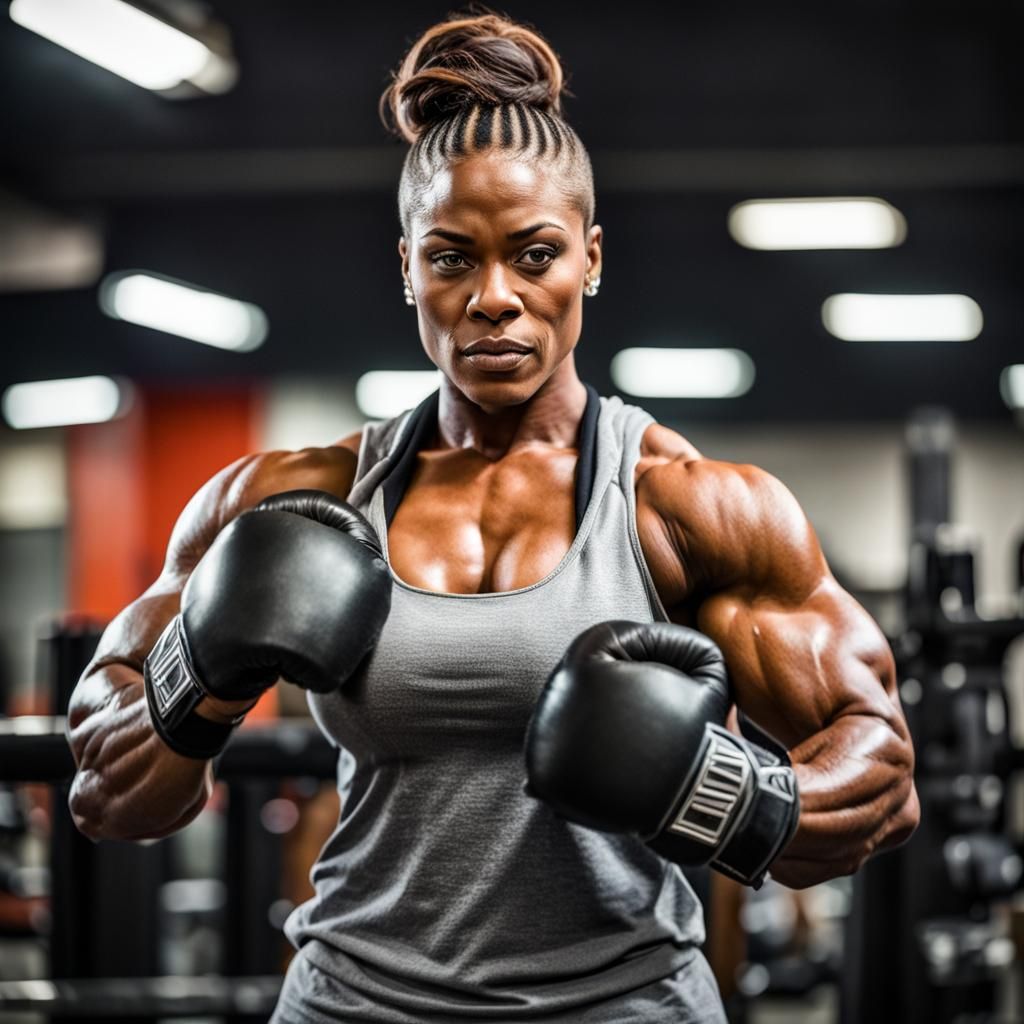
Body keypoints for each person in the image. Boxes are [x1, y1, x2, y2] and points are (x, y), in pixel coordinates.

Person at [65, 10, 920, 1022]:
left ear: (591, 259)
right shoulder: (293, 498)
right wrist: (197, 672)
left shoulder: (687, 507)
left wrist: (716, 789)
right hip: (352, 1002)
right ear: (406, 268)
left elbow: (881, 778)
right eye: (451, 258)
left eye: (535, 254)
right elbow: (109, 794)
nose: (493, 298)